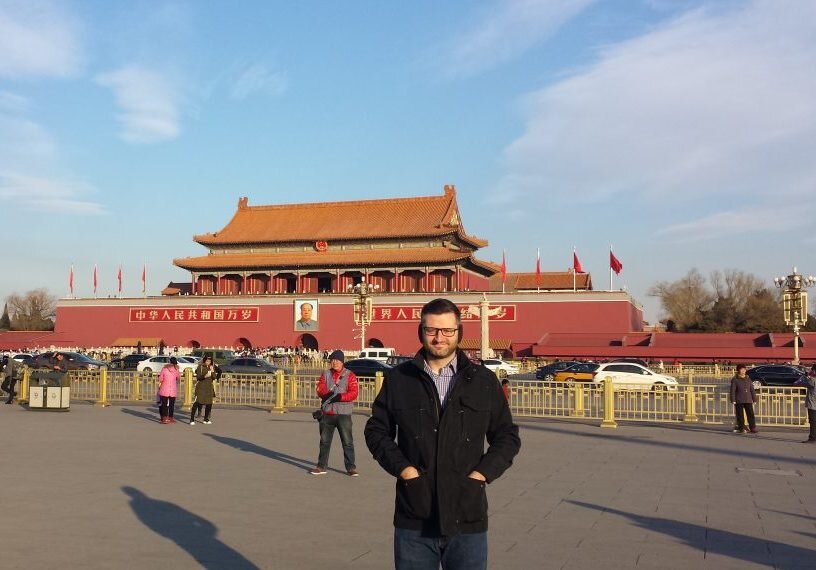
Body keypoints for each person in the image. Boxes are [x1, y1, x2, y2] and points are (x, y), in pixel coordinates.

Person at [364, 298, 521, 570]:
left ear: (459, 333)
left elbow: (507, 436)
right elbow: (377, 430)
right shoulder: (400, 379)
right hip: (415, 515)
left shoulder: (482, 381)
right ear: (421, 331)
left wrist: (480, 476)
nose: (439, 338)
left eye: (447, 331)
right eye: (432, 330)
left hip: (467, 514)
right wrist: (405, 470)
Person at [310, 350, 359, 476]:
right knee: (324, 441)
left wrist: (340, 397)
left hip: (343, 413)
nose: (334, 362)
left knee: (347, 442)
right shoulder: (325, 374)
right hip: (327, 413)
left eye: (337, 360)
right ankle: (321, 466)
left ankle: (351, 468)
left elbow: (354, 393)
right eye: (332, 360)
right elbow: (320, 388)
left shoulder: (350, 375)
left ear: (342, 362)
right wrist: (325, 394)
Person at [730, 364, 758, 434]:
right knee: (740, 415)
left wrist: (754, 399)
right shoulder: (735, 379)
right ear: (738, 370)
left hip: (748, 399)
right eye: (741, 369)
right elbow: (732, 390)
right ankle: (741, 428)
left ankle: (752, 428)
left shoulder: (748, 378)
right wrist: (733, 400)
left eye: (744, 369)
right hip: (739, 399)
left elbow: (752, 390)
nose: (743, 371)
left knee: (750, 414)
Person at [191, 356, 219, 425]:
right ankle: (192, 419)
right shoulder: (200, 367)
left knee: (209, 403)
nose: (208, 362)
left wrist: (212, 370)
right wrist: (204, 376)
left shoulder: (211, 367)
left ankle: (206, 419)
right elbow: (198, 377)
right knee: (198, 402)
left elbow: (214, 377)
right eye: (207, 361)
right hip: (201, 387)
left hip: (209, 388)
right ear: (204, 361)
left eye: (209, 361)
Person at [794, 364, 816, 443]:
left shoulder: (812, 380)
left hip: (813, 404)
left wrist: (806, 376)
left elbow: (797, 383)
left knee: (813, 421)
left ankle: (812, 438)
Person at [157, 357, 180, 424]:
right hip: (172, 389)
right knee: (171, 405)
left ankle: (164, 418)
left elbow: (160, 379)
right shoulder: (176, 369)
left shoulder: (164, 369)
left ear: (169, 362)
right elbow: (178, 378)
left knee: (164, 404)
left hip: (164, 389)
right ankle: (170, 418)